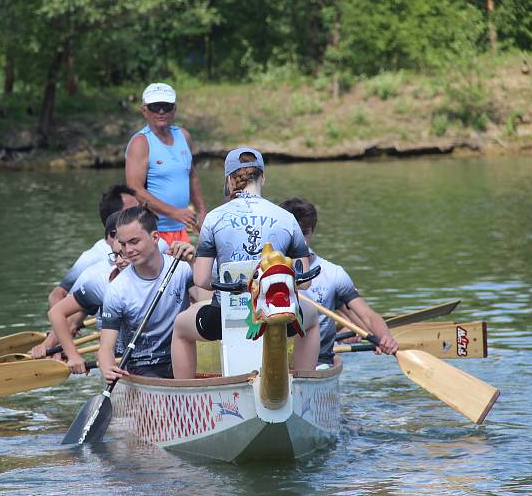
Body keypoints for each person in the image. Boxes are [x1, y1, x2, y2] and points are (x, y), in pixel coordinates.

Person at [171, 147, 320, 379]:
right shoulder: (286, 218)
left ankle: (184, 398)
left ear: (230, 180)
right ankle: (304, 386)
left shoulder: (213, 218)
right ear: (263, 177)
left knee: (180, 326)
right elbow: (304, 282)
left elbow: (201, 280)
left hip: (224, 316)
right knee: (312, 319)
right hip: (279, 316)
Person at [280, 197, 398, 366]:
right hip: (276, 360)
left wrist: (385, 338)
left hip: (319, 362)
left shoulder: (333, 274)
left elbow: (368, 316)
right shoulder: (265, 269)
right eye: (294, 234)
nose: (299, 241)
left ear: (312, 231)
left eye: (304, 233)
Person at [99, 206, 197, 382]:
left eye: (134, 241)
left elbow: (206, 305)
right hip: (142, 366)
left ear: (155, 237)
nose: (127, 250)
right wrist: (108, 370)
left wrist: (195, 261)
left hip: (182, 355)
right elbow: (106, 348)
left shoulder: (181, 268)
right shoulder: (117, 290)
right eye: (123, 244)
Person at [46, 212, 131, 374]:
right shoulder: (98, 276)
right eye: (117, 255)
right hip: (118, 364)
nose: (119, 261)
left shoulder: (165, 260)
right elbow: (61, 309)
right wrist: (62, 350)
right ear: (113, 237)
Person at [125, 82, 207, 245]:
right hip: (152, 231)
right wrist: (174, 212)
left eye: (166, 106)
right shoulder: (140, 142)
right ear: (144, 110)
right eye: (155, 107)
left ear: (174, 109)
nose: (161, 111)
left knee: (191, 269)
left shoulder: (184, 136)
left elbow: (191, 175)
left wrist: (202, 211)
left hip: (182, 228)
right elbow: (135, 190)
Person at [46, 184, 139, 310]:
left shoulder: (148, 244)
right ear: (116, 217)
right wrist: (68, 327)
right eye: (134, 210)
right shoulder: (92, 258)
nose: (142, 214)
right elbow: (56, 295)